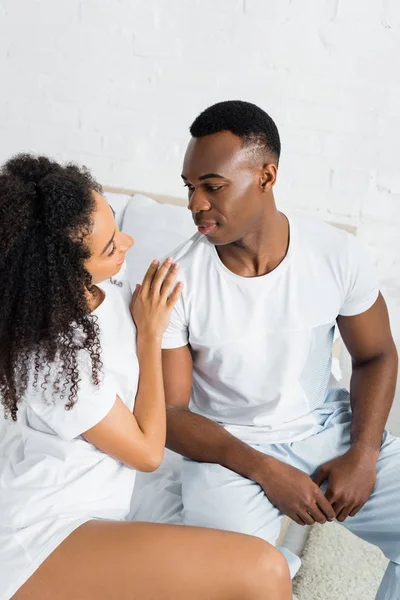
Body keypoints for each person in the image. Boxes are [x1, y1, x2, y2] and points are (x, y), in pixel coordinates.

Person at [0, 154, 292, 600]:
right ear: (63, 272)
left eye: (116, 227)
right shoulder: (56, 358)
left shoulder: (101, 287)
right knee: (266, 569)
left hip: (92, 505)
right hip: (43, 532)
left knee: (258, 565)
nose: (128, 243)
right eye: (111, 247)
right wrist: (149, 337)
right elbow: (147, 452)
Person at [161, 100, 400, 599]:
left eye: (212, 186)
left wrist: (363, 453)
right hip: (228, 452)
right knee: (234, 581)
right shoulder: (177, 281)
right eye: (190, 188)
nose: (195, 204)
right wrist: (266, 471)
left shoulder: (336, 255)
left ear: (266, 176)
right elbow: (171, 413)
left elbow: (376, 355)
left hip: (322, 427)